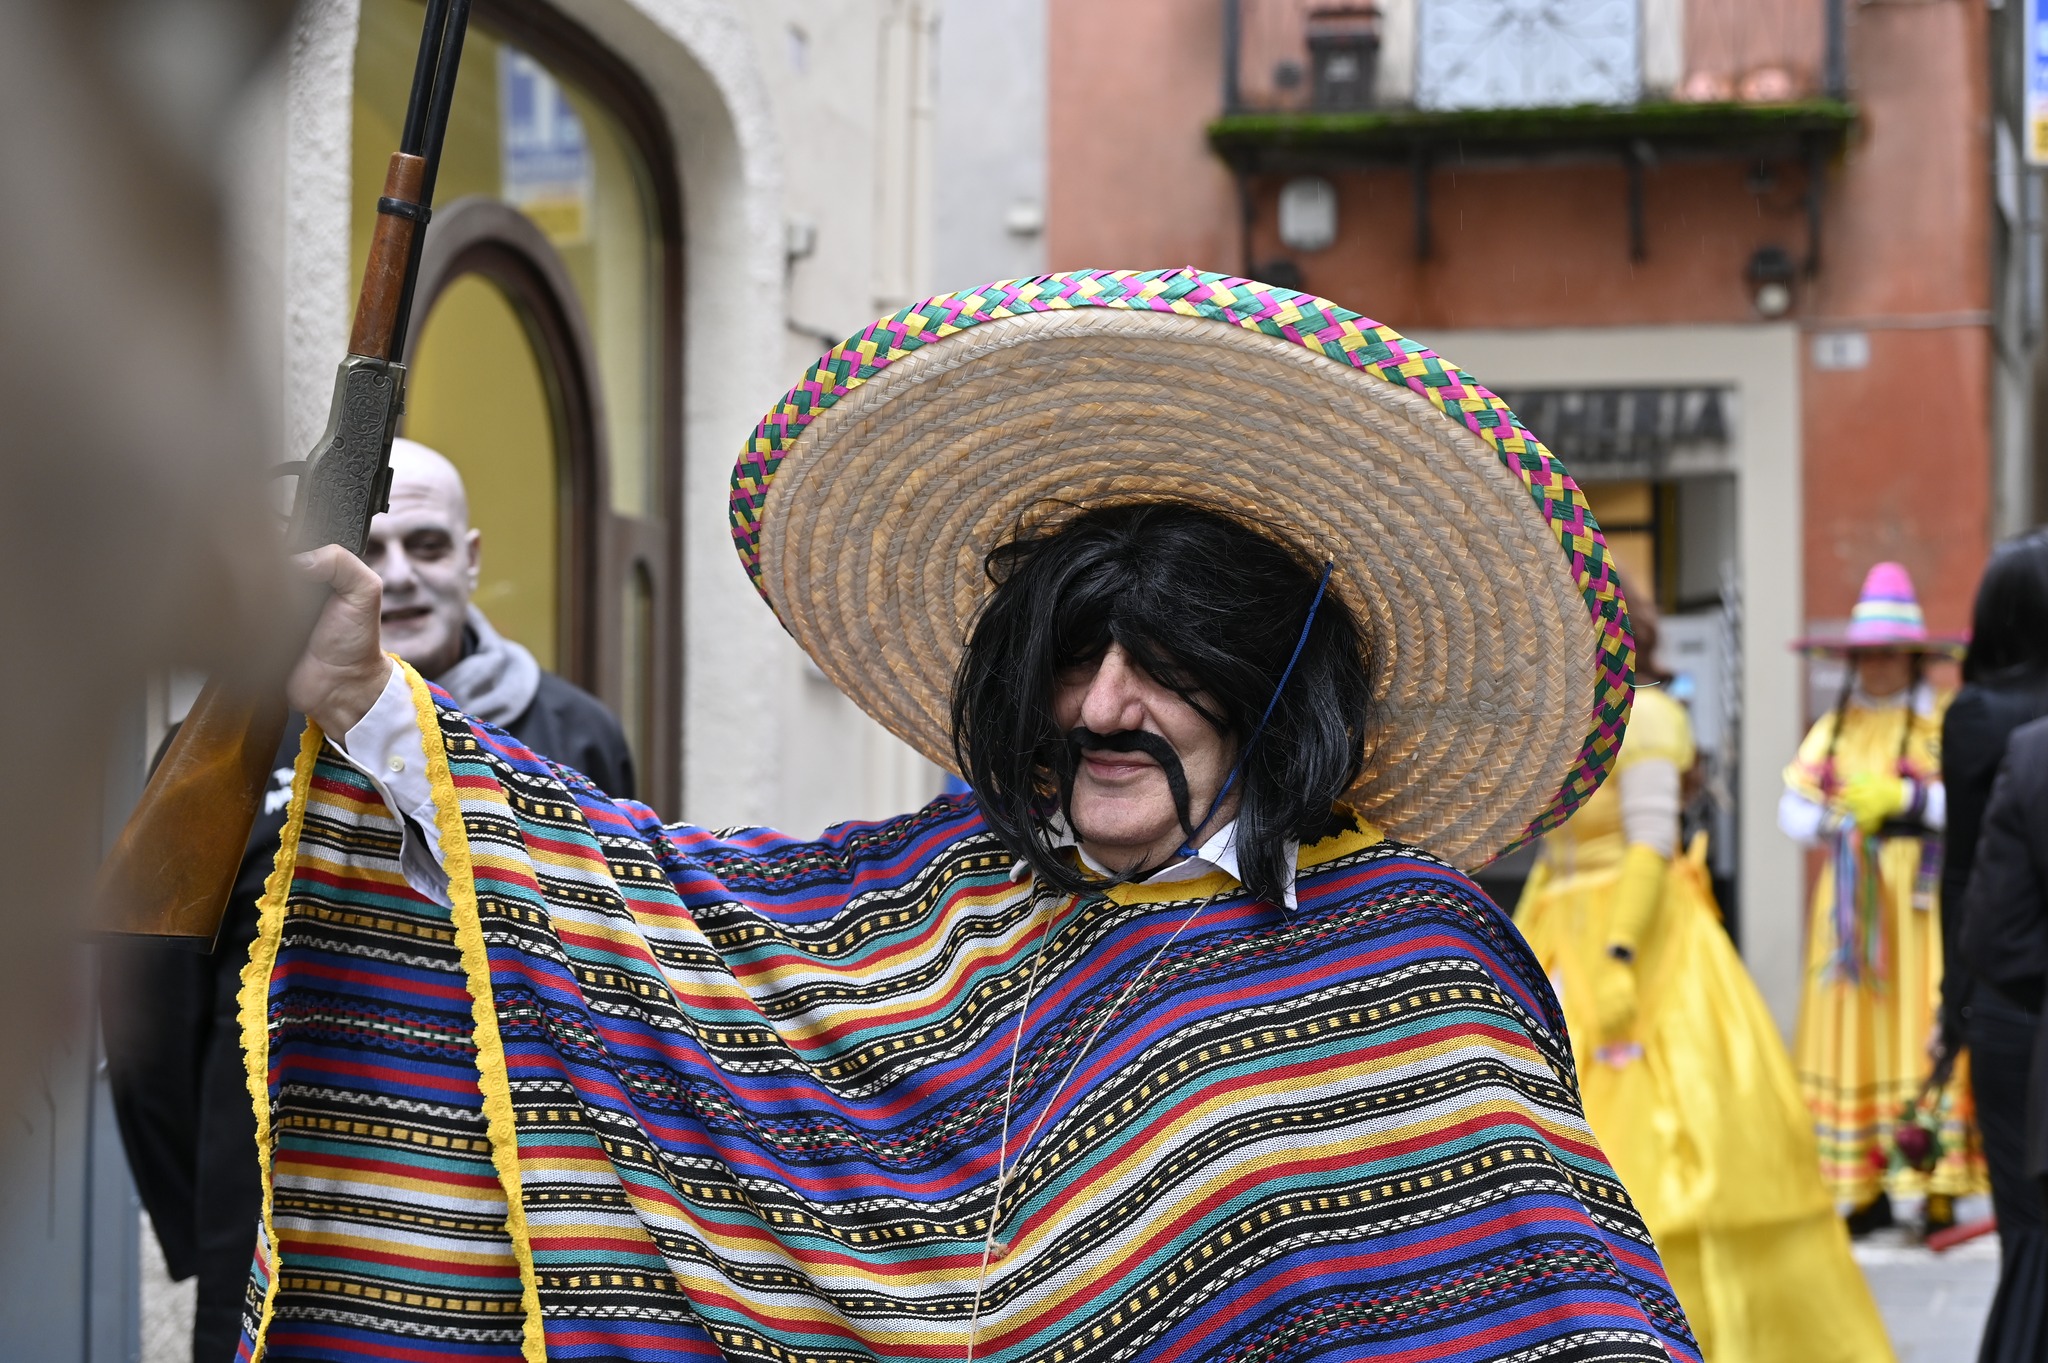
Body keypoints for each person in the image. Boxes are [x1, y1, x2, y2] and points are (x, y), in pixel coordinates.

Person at [240, 270, 1701, 1361]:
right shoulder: (936, 890)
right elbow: (653, 911)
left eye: (1168, 657)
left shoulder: (1403, 953)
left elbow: (1545, 1299)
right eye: (1073, 653)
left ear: (1271, 685)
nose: (1107, 703)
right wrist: (374, 699)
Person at [100, 437, 634, 1363]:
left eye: (426, 546)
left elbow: (619, 966)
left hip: (517, 1226)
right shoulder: (224, 741)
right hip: (275, 1217)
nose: (398, 578)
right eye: (373, 549)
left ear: (471, 556)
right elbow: (147, 1000)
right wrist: (213, 1218)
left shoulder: (577, 735)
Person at [1516, 591, 1892, 1361]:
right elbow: (1551, 861)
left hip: (1645, 944)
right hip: (1560, 943)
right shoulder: (1563, 730)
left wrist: (1620, 952)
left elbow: (1651, 844)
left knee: (1670, 1160)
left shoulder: (1647, 719)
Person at [1779, 562, 1982, 1236]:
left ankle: (1935, 1183)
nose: (1879, 664)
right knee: (1855, 1038)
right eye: (1867, 653)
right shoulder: (1834, 730)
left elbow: (1973, 803)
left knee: (1921, 1030)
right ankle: (1865, 1187)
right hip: (1850, 913)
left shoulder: (1943, 723)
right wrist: (1838, 816)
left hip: (1919, 911)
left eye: (1890, 651)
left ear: (1916, 655)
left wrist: (1911, 798)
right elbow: (1791, 811)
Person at [1941, 529, 2048, 1363]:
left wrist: (1954, 1004)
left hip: (2010, 997)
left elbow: (1967, 873)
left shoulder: (1982, 716)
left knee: (2028, 1228)